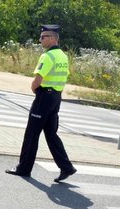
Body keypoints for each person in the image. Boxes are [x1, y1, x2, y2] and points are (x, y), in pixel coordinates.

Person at [5, 24, 77, 183]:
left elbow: (37, 81)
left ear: (52, 38)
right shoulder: (63, 56)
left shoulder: (48, 56)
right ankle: (66, 167)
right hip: (56, 97)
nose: (40, 40)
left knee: (32, 134)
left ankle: (23, 168)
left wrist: (34, 89)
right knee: (51, 134)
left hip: (44, 97)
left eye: (43, 37)